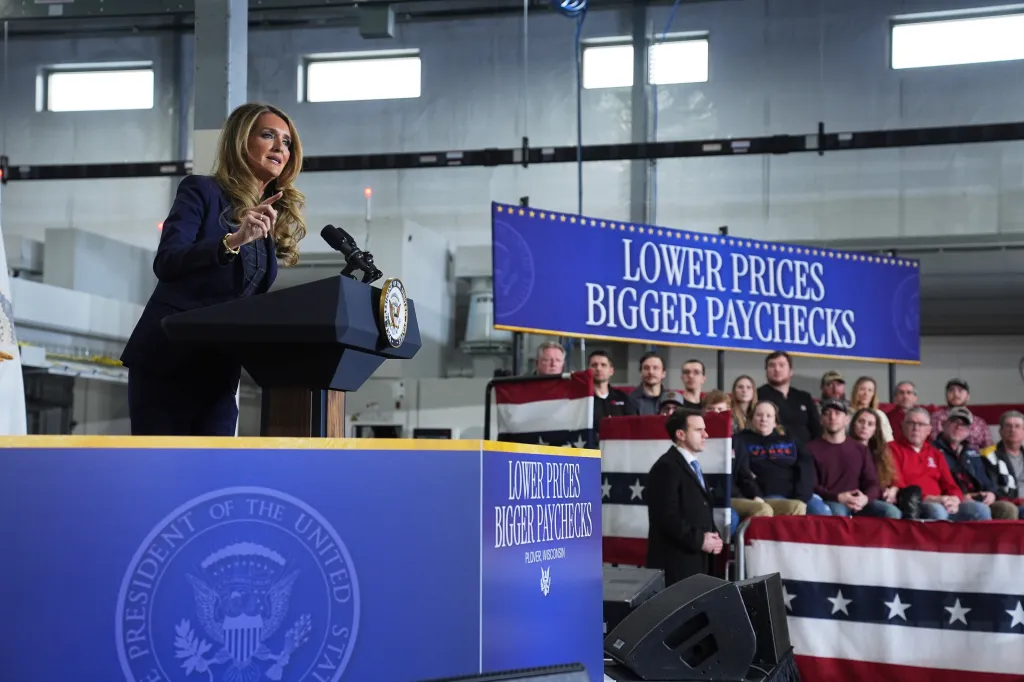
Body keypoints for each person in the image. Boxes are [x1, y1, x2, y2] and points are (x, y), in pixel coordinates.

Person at [121, 102, 306, 436]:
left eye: (287, 142)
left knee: (213, 476)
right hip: (168, 363)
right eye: (268, 136)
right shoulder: (201, 191)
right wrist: (232, 241)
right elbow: (167, 261)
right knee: (164, 476)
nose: (281, 147)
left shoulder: (266, 218)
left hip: (218, 371)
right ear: (241, 141)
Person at [645, 409, 722, 586]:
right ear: (681, 434)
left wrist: (713, 535)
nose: (706, 435)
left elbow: (699, 507)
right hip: (676, 565)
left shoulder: (692, 465)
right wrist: (701, 540)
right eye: (698, 430)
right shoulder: (666, 467)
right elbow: (667, 516)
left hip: (696, 561)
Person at [888, 406, 990, 521]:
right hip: (917, 503)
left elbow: (951, 486)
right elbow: (899, 485)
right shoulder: (891, 449)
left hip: (943, 502)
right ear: (903, 426)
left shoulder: (935, 453)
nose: (916, 428)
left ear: (929, 430)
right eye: (911, 423)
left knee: (980, 509)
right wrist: (933, 499)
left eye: (921, 424)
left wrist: (954, 499)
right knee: (937, 510)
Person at [806, 400, 901, 518]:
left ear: (846, 420)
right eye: (827, 413)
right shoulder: (810, 448)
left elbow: (872, 483)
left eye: (837, 413)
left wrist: (865, 498)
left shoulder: (860, 450)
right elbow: (811, 485)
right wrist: (837, 497)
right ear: (821, 420)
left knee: (892, 512)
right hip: (831, 501)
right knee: (839, 513)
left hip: (858, 503)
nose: (832, 417)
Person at [731, 401, 817, 516]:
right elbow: (743, 473)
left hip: (798, 494)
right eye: (759, 415)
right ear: (752, 419)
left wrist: (802, 496)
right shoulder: (740, 440)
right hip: (765, 495)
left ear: (775, 422)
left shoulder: (790, 440)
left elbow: (806, 468)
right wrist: (755, 494)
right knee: (796, 508)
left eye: (768, 416)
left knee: (821, 511)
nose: (764, 419)